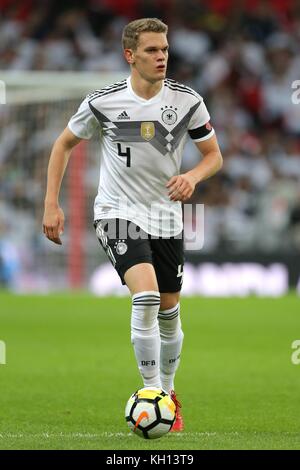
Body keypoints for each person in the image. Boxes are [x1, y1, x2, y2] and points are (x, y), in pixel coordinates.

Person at [43, 17, 223, 432]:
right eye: (151, 51)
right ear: (130, 55)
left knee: (169, 311)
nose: (161, 57)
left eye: (165, 50)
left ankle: (170, 391)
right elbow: (63, 144)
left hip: (166, 216)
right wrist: (51, 204)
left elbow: (214, 155)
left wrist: (192, 177)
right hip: (117, 213)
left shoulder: (187, 101)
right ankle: (152, 392)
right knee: (145, 298)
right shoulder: (102, 102)